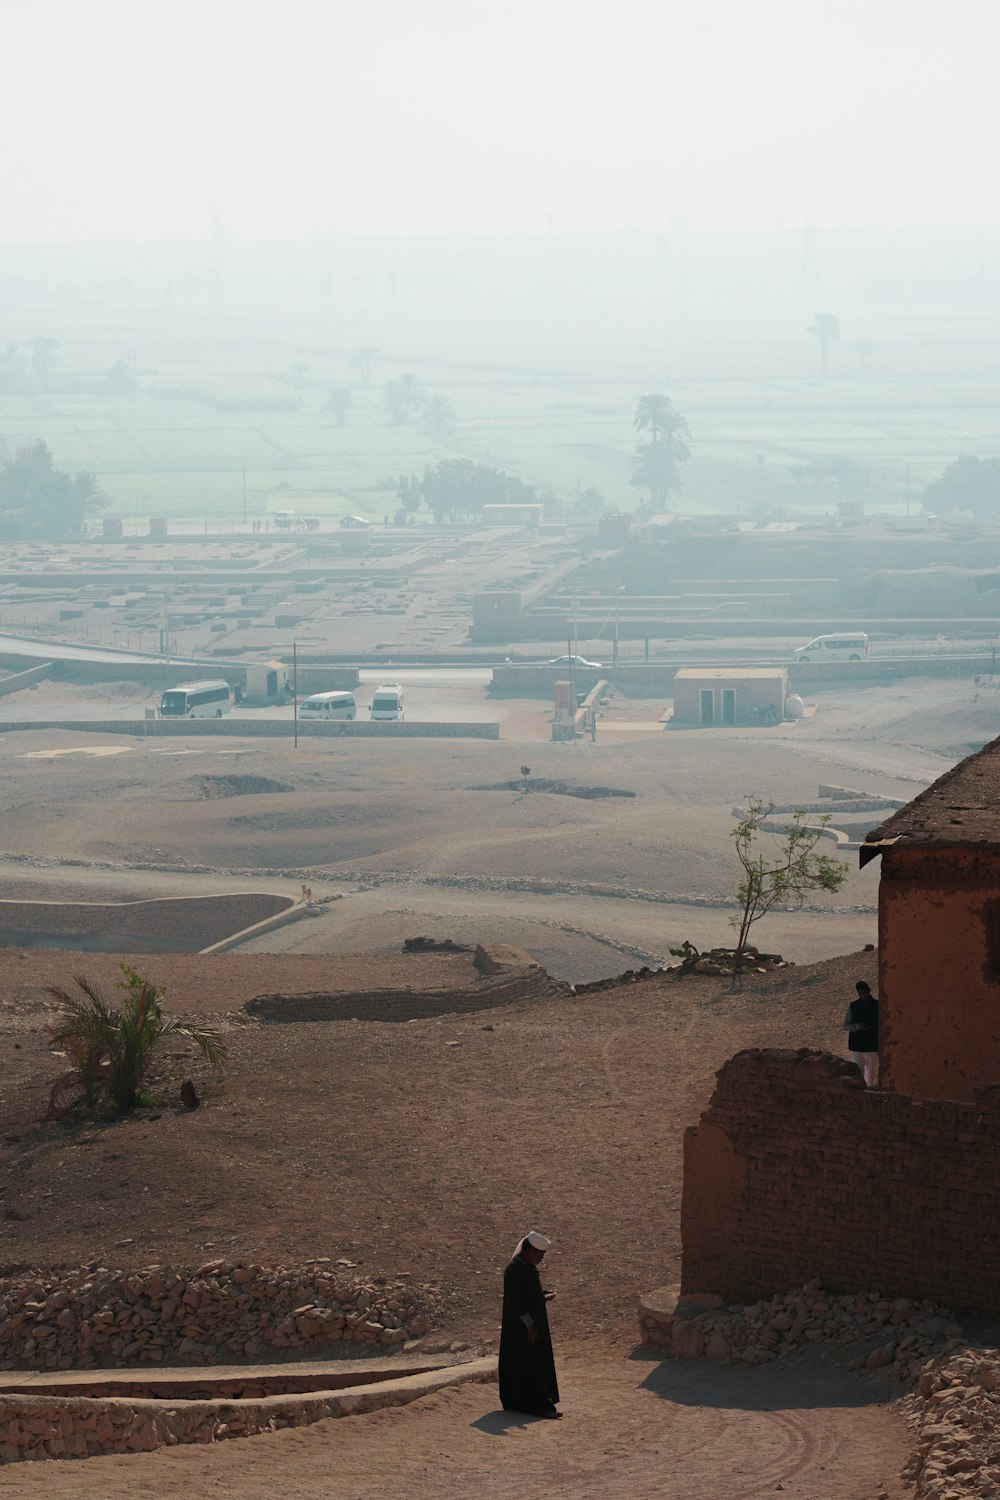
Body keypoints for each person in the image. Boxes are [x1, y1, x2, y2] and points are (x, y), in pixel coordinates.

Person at [499, 1230, 561, 1418]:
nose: (540, 1258)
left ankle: (534, 1403)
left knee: (535, 1362)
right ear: (527, 1250)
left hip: (531, 1325)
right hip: (522, 1329)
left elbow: (529, 1295)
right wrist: (530, 1325)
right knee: (529, 1364)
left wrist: (543, 1296)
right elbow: (517, 1302)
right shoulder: (515, 1270)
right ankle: (536, 1405)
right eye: (538, 1254)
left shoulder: (527, 1267)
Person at [843, 978, 879, 1087]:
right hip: (856, 1046)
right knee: (858, 1075)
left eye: (865, 993)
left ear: (869, 990)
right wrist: (857, 1026)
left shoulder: (877, 1005)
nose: (864, 996)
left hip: (872, 1045)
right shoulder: (853, 1006)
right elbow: (846, 1026)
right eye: (861, 994)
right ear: (858, 993)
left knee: (870, 1075)